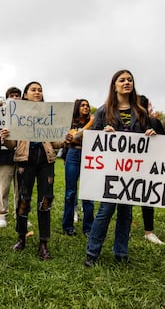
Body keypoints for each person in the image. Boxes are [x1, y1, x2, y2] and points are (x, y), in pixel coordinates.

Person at [85, 70, 157, 267]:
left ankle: (121, 253)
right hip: (110, 172)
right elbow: (92, 140)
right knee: (105, 210)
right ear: (114, 85)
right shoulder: (103, 111)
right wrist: (102, 132)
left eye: (130, 80)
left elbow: (147, 139)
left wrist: (151, 133)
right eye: (122, 80)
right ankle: (92, 252)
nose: (127, 82)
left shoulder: (141, 112)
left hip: (132, 174)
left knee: (126, 212)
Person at [0, 81, 62, 260]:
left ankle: (43, 242)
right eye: (33, 90)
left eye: (40, 90)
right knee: (23, 199)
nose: (37, 92)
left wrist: (63, 138)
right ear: (25, 95)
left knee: (45, 200)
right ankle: (21, 237)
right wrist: (5, 138)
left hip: (45, 160)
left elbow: (56, 142)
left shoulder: (50, 114)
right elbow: (12, 145)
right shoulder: (18, 115)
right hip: (24, 160)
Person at [62, 99, 95, 237]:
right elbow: (74, 137)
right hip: (73, 154)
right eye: (82, 105)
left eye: (87, 105)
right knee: (71, 192)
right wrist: (90, 123)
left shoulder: (96, 124)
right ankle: (68, 226)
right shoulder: (72, 123)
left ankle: (88, 228)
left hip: (89, 156)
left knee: (88, 194)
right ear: (77, 108)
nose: (86, 107)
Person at [139, 95, 165, 245]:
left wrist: (156, 137)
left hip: (148, 167)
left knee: (147, 198)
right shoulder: (124, 122)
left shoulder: (155, 122)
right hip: (128, 168)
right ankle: (126, 229)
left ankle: (149, 232)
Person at [0, 87, 21, 228]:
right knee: (3, 187)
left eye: (17, 95)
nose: (15, 98)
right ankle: (2, 215)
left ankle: (19, 214)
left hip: (22, 155)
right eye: (12, 95)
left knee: (20, 188)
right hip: (4, 154)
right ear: (7, 98)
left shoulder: (24, 112)